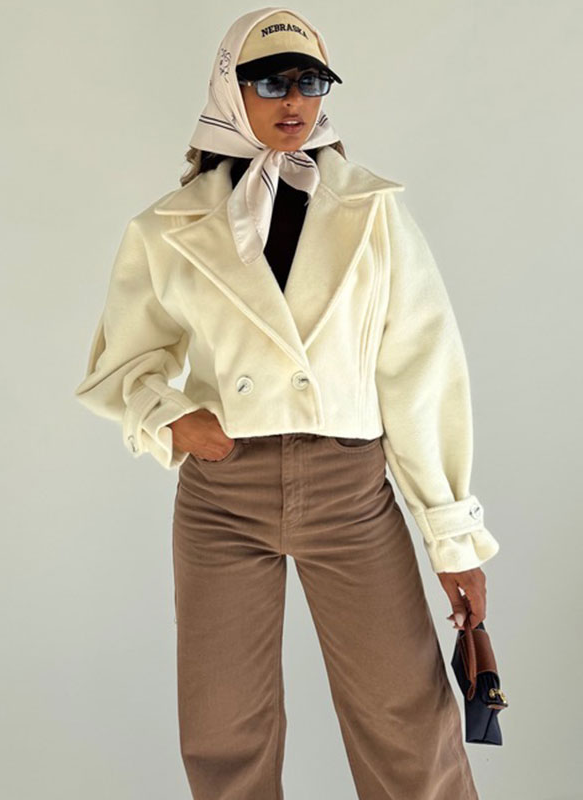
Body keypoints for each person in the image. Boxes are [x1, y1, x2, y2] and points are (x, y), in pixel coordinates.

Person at [74, 7, 500, 799]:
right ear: (229, 90)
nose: (294, 98)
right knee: (222, 730)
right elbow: (120, 363)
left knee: (406, 716)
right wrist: (173, 419)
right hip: (222, 496)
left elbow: (421, 371)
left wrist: (452, 538)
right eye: (270, 82)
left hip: (350, 489)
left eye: (311, 80)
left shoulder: (373, 211)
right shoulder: (169, 227)